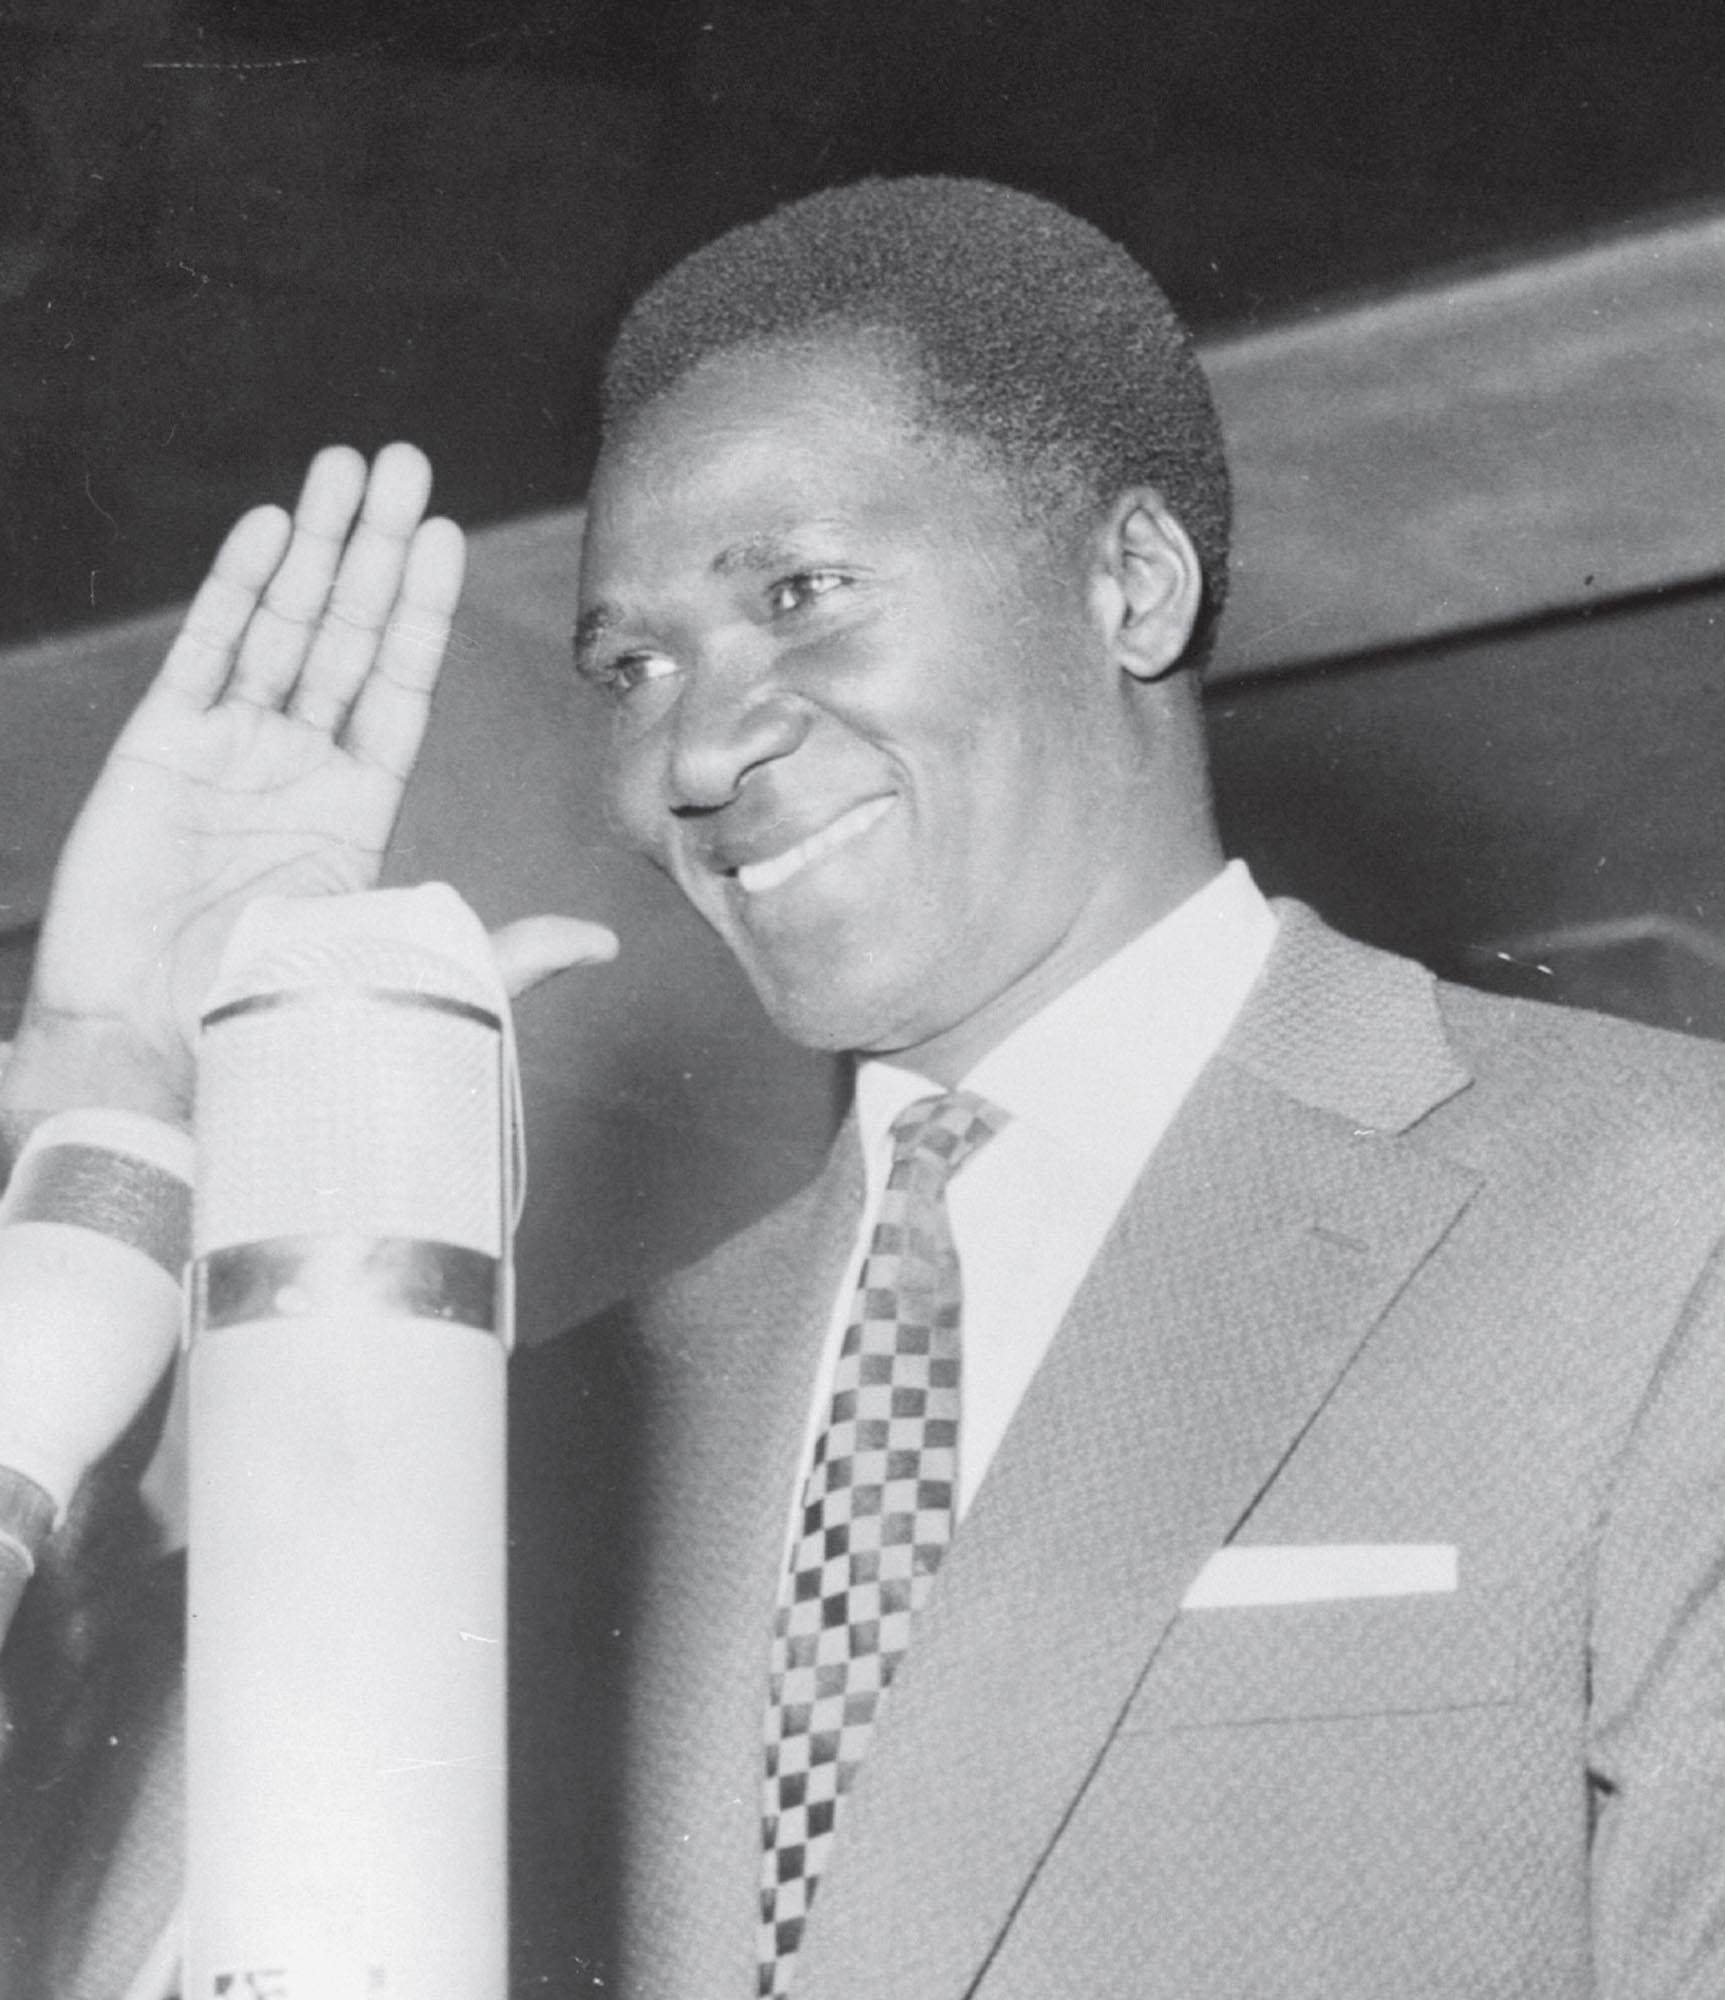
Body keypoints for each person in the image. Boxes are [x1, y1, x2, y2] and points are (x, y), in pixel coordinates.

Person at [9, 176, 1725, 1998]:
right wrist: (107, 1135)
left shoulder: (1649, 1210)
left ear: (1127, 584)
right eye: (632, 666)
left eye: (803, 595)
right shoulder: (533, 1433)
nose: (693, 743)